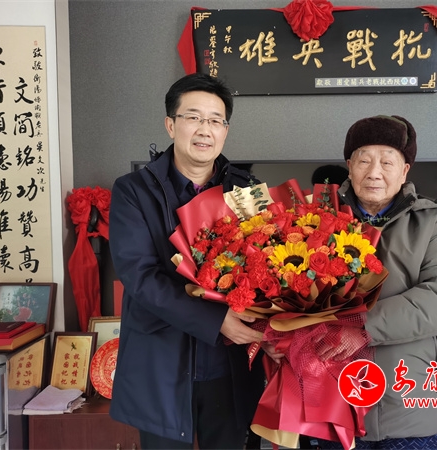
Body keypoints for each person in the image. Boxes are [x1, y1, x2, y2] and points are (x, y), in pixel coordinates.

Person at [109, 73, 280, 449]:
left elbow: (271, 267)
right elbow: (140, 276)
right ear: (171, 125)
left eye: (215, 120)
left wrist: (277, 326)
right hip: (161, 365)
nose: (205, 129)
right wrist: (216, 320)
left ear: (225, 131)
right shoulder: (133, 191)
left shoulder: (248, 189)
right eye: (193, 117)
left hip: (230, 366)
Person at [321, 115, 437, 449]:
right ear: (349, 167)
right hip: (333, 404)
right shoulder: (317, 219)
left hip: (409, 406)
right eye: (364, 161)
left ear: (404, 171)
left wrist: (361, 326)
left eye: (387, 162)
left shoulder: (433, 222)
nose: (374, 172)